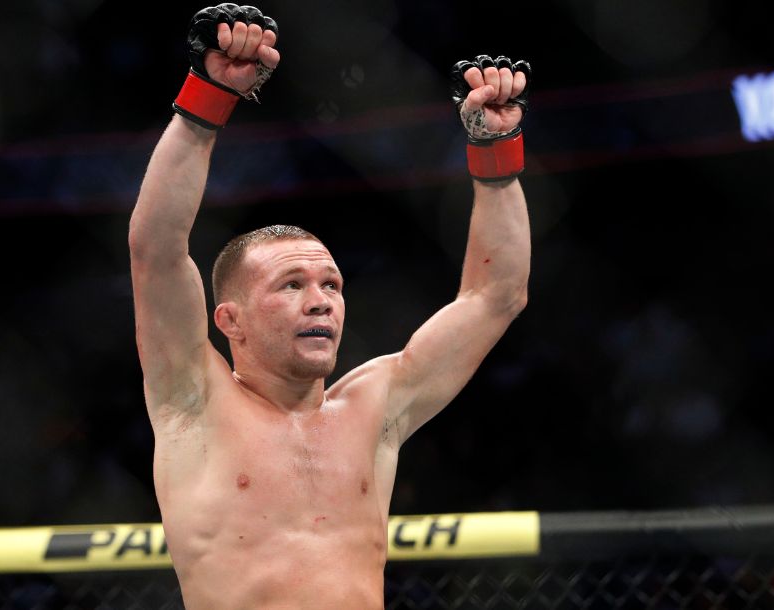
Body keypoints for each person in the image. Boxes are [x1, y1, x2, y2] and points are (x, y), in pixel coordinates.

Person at [128, 4, 532, 608]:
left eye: (332, 285)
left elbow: (495, 296)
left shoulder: (376, 409)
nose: (320, 302)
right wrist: (208, 96)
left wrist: (495, 150)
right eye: (291, 285)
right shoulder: (194, 402)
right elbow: (157, 250)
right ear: (230, 320)